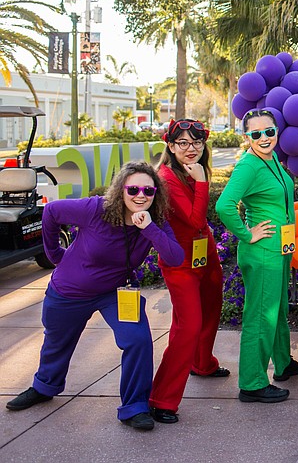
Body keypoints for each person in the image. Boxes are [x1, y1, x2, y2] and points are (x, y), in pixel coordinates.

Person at [5, 161, 183, 431]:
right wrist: (54, 254)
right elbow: (51, 211)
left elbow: (175, 256)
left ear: (156, 193)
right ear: (121, 190)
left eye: (148, 191)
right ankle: (44, 387)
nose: (140, 196)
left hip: (115, 292)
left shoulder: (154, 220)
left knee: (138, 340)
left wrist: (148, 228)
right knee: (56, 342)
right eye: (133, 189)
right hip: (70, 290)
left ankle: (135, 407)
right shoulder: (95, 209)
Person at [216, 109, 298, 404]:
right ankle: (252, 383)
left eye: (269, 131)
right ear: (246, 138)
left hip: (279, 248)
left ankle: (283, 362)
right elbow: (224, 206)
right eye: (256, 134)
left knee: (276, 310)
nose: (264, 138)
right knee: (260, 315)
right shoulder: (248, 166)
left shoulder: (272, 158)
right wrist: (247, 233)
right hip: (262, 250)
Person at [149, 119, 228, 424]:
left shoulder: (191, 169)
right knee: (188, 326)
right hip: (180, 263)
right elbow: (195, 220)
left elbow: (200, 228)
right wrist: (204, 182)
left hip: (204, 254)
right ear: (170, 146)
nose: (191, 148)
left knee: (211, 309)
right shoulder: (166, 178)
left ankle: (203, 363)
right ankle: (162, 399)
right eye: (183, 142)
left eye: (197, 142)